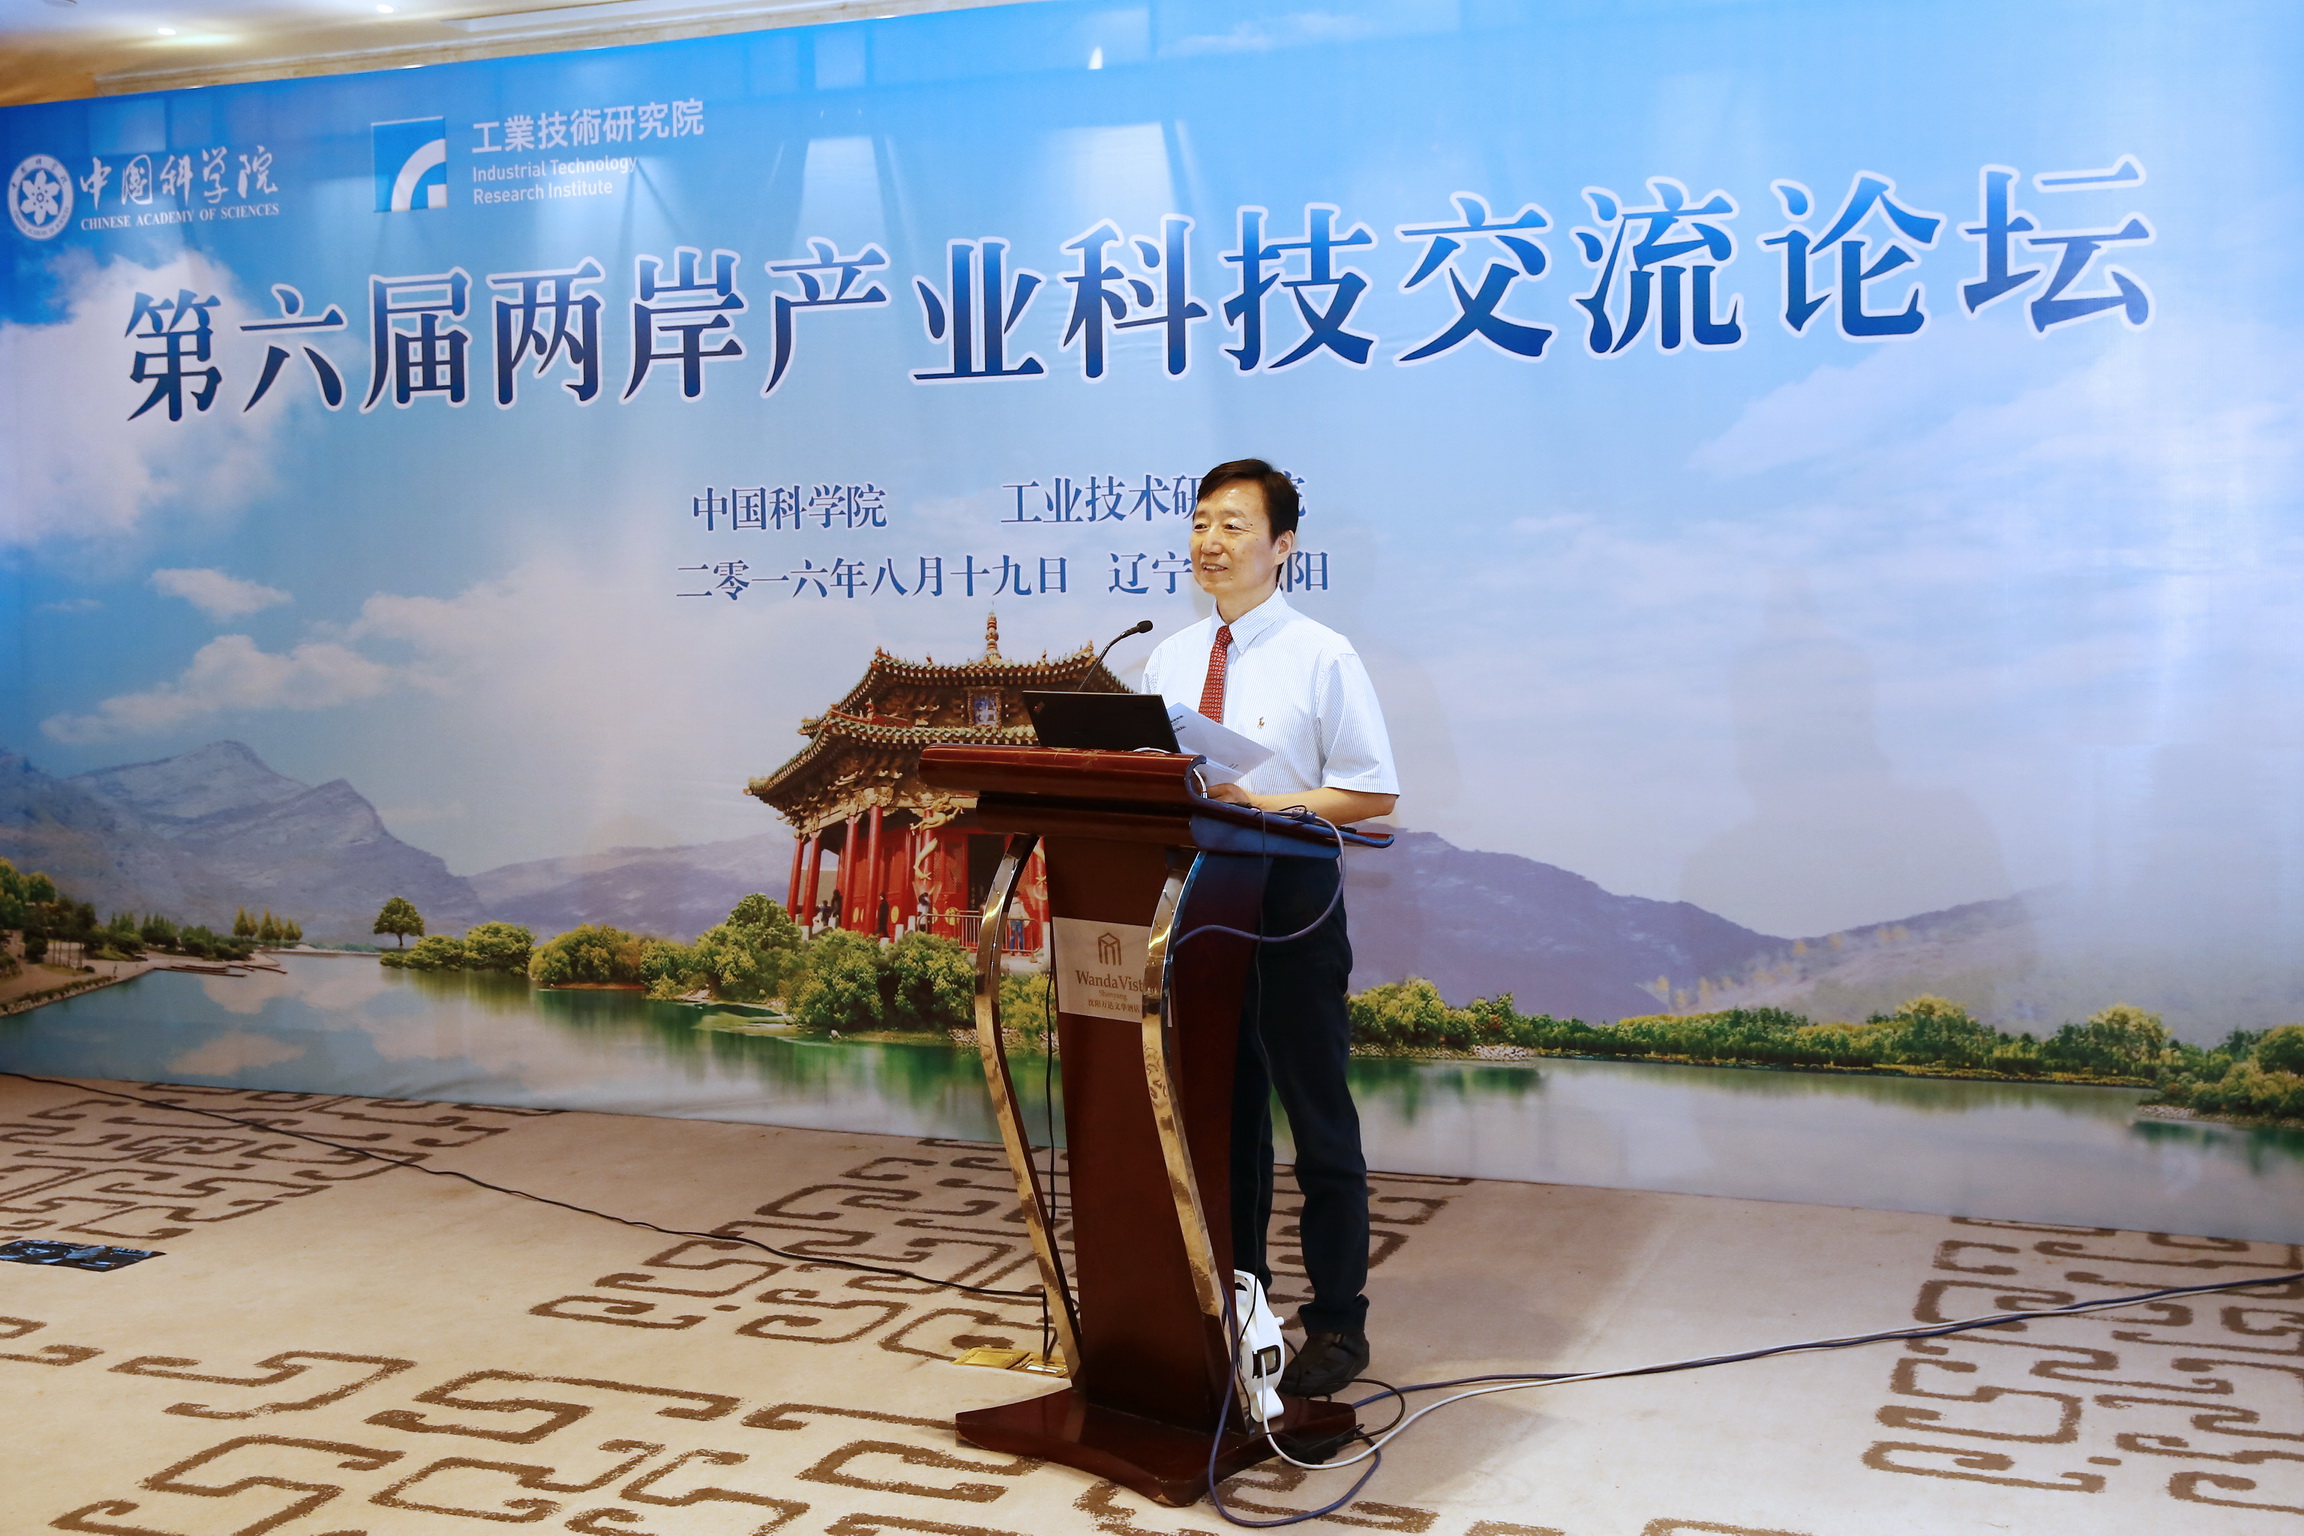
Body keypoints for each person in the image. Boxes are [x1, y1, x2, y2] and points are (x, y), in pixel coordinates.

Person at [1140, 457, 1399, 1398]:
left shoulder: (1322, 655)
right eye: (1200, 522)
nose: (1210, 541)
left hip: (1292, 899)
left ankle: (1338, 1321)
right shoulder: (1167, 658)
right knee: (1227, 1113)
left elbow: (1372, 792)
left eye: (1234, 525)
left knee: (1313, 1109)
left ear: (1283, 545)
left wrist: (1269, 803)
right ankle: (1238, 1300)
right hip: (1200, 904)